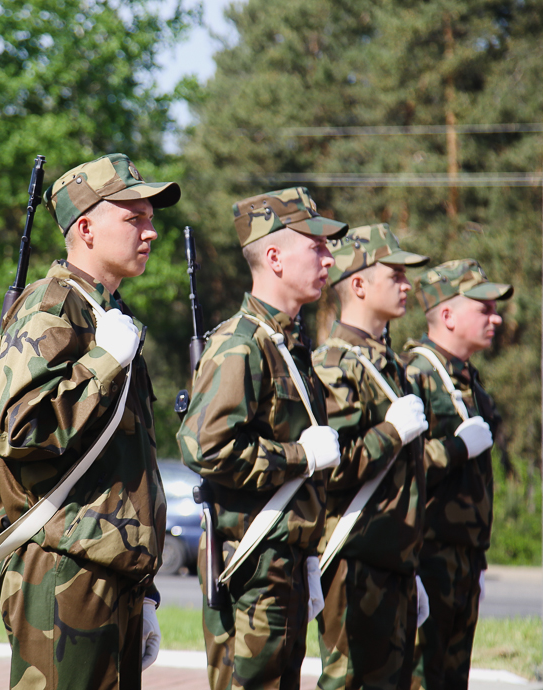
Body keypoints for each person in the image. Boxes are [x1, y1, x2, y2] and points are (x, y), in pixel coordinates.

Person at [0, 153, 179, 690]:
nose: (150, 231)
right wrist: (103, 363)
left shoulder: (105, 313)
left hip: (109, 570)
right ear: (86, 228)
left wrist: (144, 587)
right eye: (133, 217)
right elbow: (18, 430)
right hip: (64, 569)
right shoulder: (52, 308)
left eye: (150, 218)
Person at [178, 188, 347, 690]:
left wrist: (308, 551)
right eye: (315, 246)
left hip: (282, 561)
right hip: (252, 567)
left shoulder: (288, 343)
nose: (328, 258)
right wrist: (300, 457)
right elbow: (206, 448)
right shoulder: (242, 342)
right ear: (274, 257)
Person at [311, 223, 430, 690]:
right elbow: (330, 466)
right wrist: (391, 433)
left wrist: (408, 561)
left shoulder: (390, 363)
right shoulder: (335, 363)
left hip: (392, 562)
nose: (407, 285)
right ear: (358, 284)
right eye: (395, 275)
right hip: (354, 563)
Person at [403, 259, 512, 690]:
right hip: (427, 557)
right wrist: (456, 448)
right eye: (483, 308)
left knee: (452, 679)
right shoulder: (416, 375)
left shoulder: (469, 380)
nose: (495, 318)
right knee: (421, 678)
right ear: (447, 314)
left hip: (465, 559)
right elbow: (401, 466)